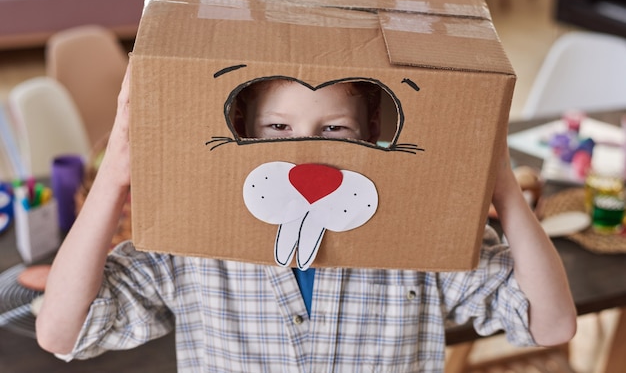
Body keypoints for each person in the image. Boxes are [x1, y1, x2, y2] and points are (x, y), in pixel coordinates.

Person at [36, 69, 577, 372]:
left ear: (370, 131)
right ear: (245, 130)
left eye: (335, 130)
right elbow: (63, 331)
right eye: (279, 127)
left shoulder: (418, 235)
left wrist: (501, 180)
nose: (306, 151)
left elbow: (551, 323)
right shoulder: (193, 244)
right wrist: (113, 180)